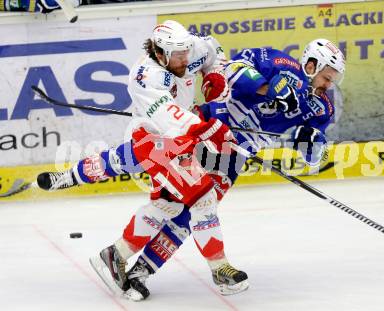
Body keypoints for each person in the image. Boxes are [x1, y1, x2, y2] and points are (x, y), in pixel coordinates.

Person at [38, 36, 345, 300]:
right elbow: (231, 72)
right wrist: (268, 88)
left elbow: (311, 157)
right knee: (142, 155)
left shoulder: (323, 107)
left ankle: (141, 272)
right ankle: (71, 176)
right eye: (327, 77)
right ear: (311, 65)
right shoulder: (278, 62)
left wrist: (309, 143)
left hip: (234, 155)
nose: (328, 85)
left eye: (332, 81)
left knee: (186, 213)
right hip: (210, 123)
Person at [37, 20, 248, 300]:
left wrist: (215, 75)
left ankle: (116, 255)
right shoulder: (144, 75)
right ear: (160, 53)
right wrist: (204, 127)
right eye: (177, 56)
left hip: (181, 140)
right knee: (203, 197)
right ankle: (219, 268)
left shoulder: (189, 48)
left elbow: (213, 50)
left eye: (186, 53)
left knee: (166, 207)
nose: (185, 60)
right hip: (156, 137)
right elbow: (167, 112)